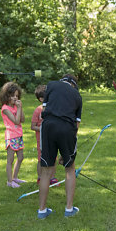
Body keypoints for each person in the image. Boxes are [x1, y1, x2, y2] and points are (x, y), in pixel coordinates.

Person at [38, 74, 82, 219]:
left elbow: (42, 112)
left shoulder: (50, 85)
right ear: (73, 85)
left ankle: (42, 211)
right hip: (67, 129)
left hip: (48, 127)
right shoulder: (77, 95)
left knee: (45, 171)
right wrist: (67, 153)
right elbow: (77, 125)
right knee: (70, 169)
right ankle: (69, 209)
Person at [0, 82, 26, 188]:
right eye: (13, 96)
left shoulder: (16, 106)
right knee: (10, 160)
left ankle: (15, 178)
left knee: (20, 157)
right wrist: (18, 109)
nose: (15, 98)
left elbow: (22, 120)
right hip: (11, 136)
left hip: (19, 135)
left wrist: (20, 108)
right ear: (7, 96)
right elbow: (16, 121)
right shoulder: (5, 108)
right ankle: (9, 181)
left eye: (17, 96)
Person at [30, 85, 58, 185]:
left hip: (53, 137)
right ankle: (40, 177)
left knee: (54, 157)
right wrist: (44, 129)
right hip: (41, 139)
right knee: (41, 158)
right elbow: (33, 126)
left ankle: (52, 177)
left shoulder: (54, 108)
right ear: (41, 99)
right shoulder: (38, 110)